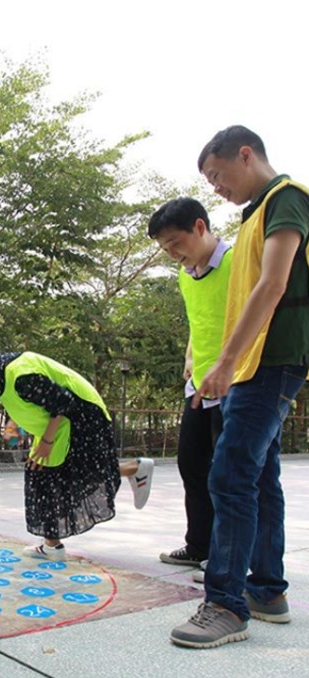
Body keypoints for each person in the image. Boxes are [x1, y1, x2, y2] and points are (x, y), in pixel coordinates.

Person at [171, 126, 309, 648]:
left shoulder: (287, 198)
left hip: (269, 360)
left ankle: (225, 604)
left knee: (228, 474)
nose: (217, 187)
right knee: (258, 475)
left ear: (245, 155)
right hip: (255, 362)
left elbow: (273, 284)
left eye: (217, 175)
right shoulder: (254, 215)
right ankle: (267, 591)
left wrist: (226, 362)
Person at [0, 345, 154, 559]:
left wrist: (47, 442)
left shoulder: (19, 374)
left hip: (82, 416)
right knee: (41, 474)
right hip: (62, 422)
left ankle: (135, 469)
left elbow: (63, 400)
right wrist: (18, 425)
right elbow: (32, 402)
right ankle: (53, 545)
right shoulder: (0, 376)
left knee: (68, 474)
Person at [148, 198, 232, 573]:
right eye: (164, 248)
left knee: (231, 474)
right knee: (191, 464)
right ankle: (199, 545)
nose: (171, 254)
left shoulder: (236, 263)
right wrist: (189, 355)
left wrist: (230, 366)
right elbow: (200, 322)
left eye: (175, 243)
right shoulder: (185, 274)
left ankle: (230, 556)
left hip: (236, 382)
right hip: (199, 384)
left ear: (200, 227)